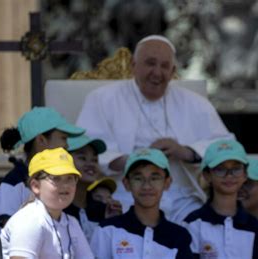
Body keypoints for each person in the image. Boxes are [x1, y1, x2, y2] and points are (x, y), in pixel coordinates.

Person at [76, 34, 234, 223]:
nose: (157, 73)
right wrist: (135, 160)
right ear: (133, 65)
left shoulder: (195, 103)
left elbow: (226, 147)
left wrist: (185, 151)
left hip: (182, 199)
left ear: (173, 70)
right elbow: (86, 148)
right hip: (124, 195)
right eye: (150, 63)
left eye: (165, 66)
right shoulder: (101, 99)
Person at [0, 107, 84, 232]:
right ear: (41, 140)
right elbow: (9, 234)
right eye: (63, 138)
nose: (67, 145)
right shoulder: (12, 185)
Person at [90, 148, 193, 258]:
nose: (146, 186)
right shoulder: (107, 230)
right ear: (126, 183)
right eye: (138, 178)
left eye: (154, 178)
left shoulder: (179, 236)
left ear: (167, 183)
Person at [0, 148, 93, 258]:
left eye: (70, 178)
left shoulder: (71, 223)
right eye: (56, 178)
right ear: (36, 186)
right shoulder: (30, 219)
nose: (65, 185)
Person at [183, 139, 258, 259]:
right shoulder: (193, 223)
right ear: (207, 175)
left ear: (245, 174)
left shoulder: (254, 226)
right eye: (220, 169)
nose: (229, 175)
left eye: (236, 169)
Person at [65, 135, 122, 241]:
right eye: (82, 158)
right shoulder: (57, 208)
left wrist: (113, 222)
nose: (91, 164)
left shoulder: (103, 210)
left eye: (95, 160)